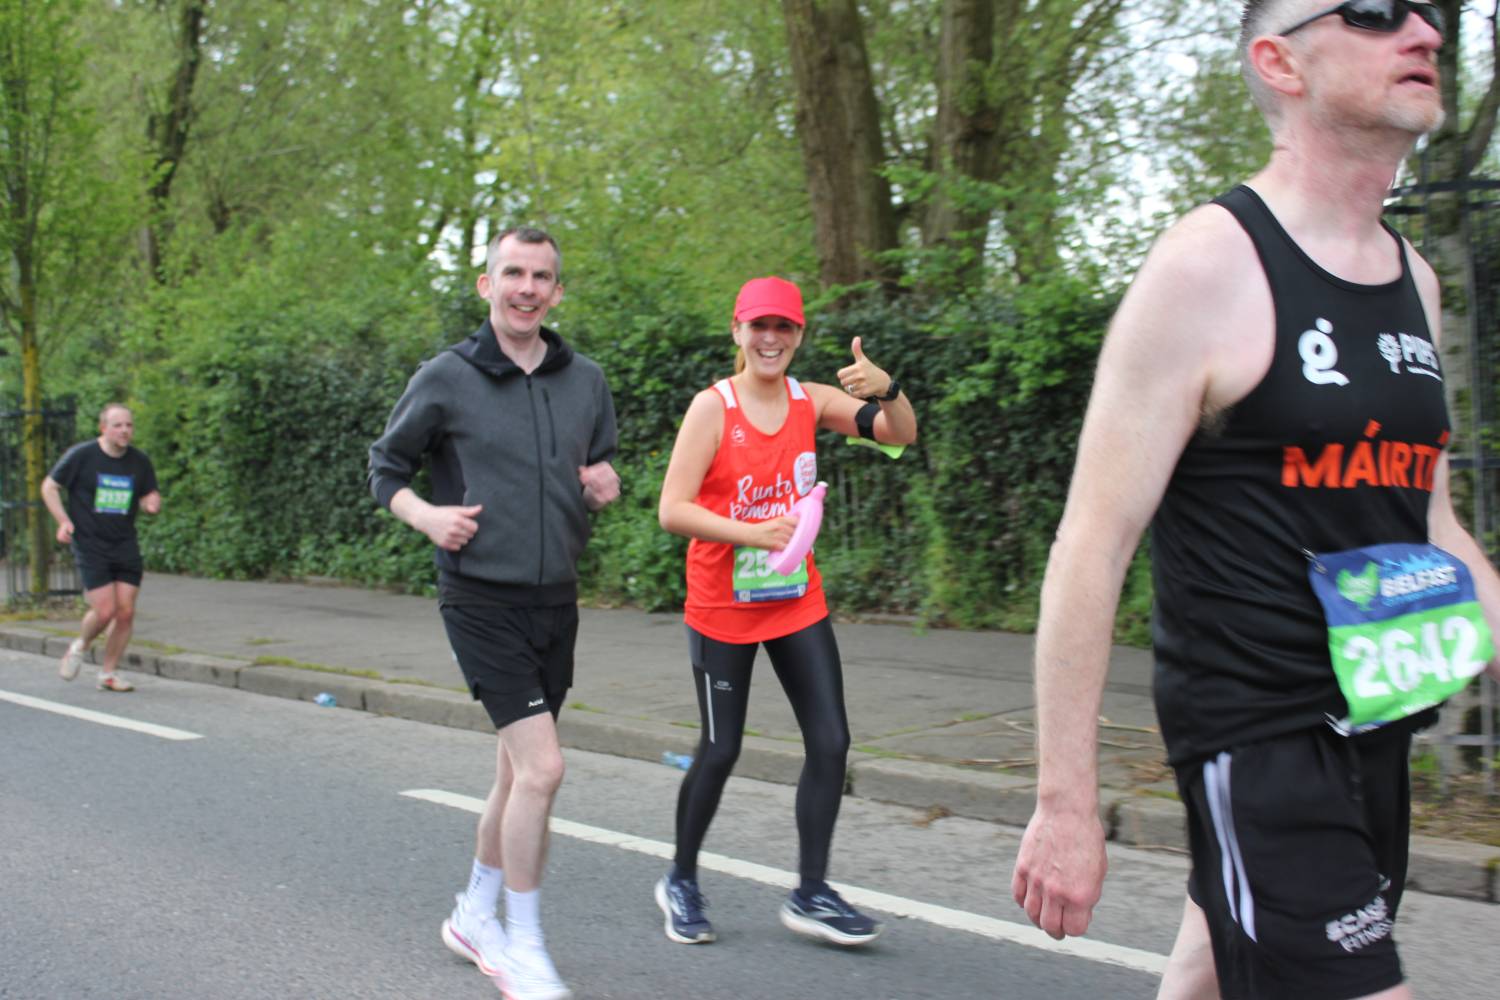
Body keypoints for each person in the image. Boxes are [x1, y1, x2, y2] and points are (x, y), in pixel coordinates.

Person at [1009, 3, 1500, 999]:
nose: (1422, 31)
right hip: (1254, 738)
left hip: (1374, 723)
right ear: (1280, 62)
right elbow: (1093, 542)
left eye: (1422, 10)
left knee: (1210, 967)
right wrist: (1066, 804)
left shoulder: (1415, 281)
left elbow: (1434, 523)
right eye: (1374, 12)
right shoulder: (1210, 264)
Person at [368, 226, 619, 1000]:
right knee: (544, 769)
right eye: (513, 273)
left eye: (541, 276)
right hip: (478, 596)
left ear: (557, 291)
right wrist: (426, 516)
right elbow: (385, 468)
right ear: (487, 284)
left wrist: (603, 485)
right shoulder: (446, 375)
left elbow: (596, 466)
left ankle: (474, 913)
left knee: (515, 775)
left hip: (555, 598)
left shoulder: (586, 380)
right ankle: (522, 946)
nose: (526, 288)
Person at [653, 276, 917, 948]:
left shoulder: (812, 401)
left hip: (796, 600)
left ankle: (811, 892)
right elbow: (672, 509)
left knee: (831, 742)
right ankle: (680, 878)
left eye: (784, 327)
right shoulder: (713, 408)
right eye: (759, 326)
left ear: (798, 335)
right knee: (721, 749)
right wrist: (753, 532)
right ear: (738, 332)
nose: (770, 339)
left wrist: (888, 389)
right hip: (722, 607)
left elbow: (900, 433)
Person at [42, 403, 162, 692]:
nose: (124, 431)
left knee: (126, 612)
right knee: (105, 610)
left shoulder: (139, 461)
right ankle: (80, 646)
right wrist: (63, 521)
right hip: (90, 543)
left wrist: (151, 501)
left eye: (129, 425)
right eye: (118, 425)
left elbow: (148, 491)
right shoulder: (82, 456)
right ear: (103, 428)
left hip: (125, 543)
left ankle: (108, 674)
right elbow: (49, 486)